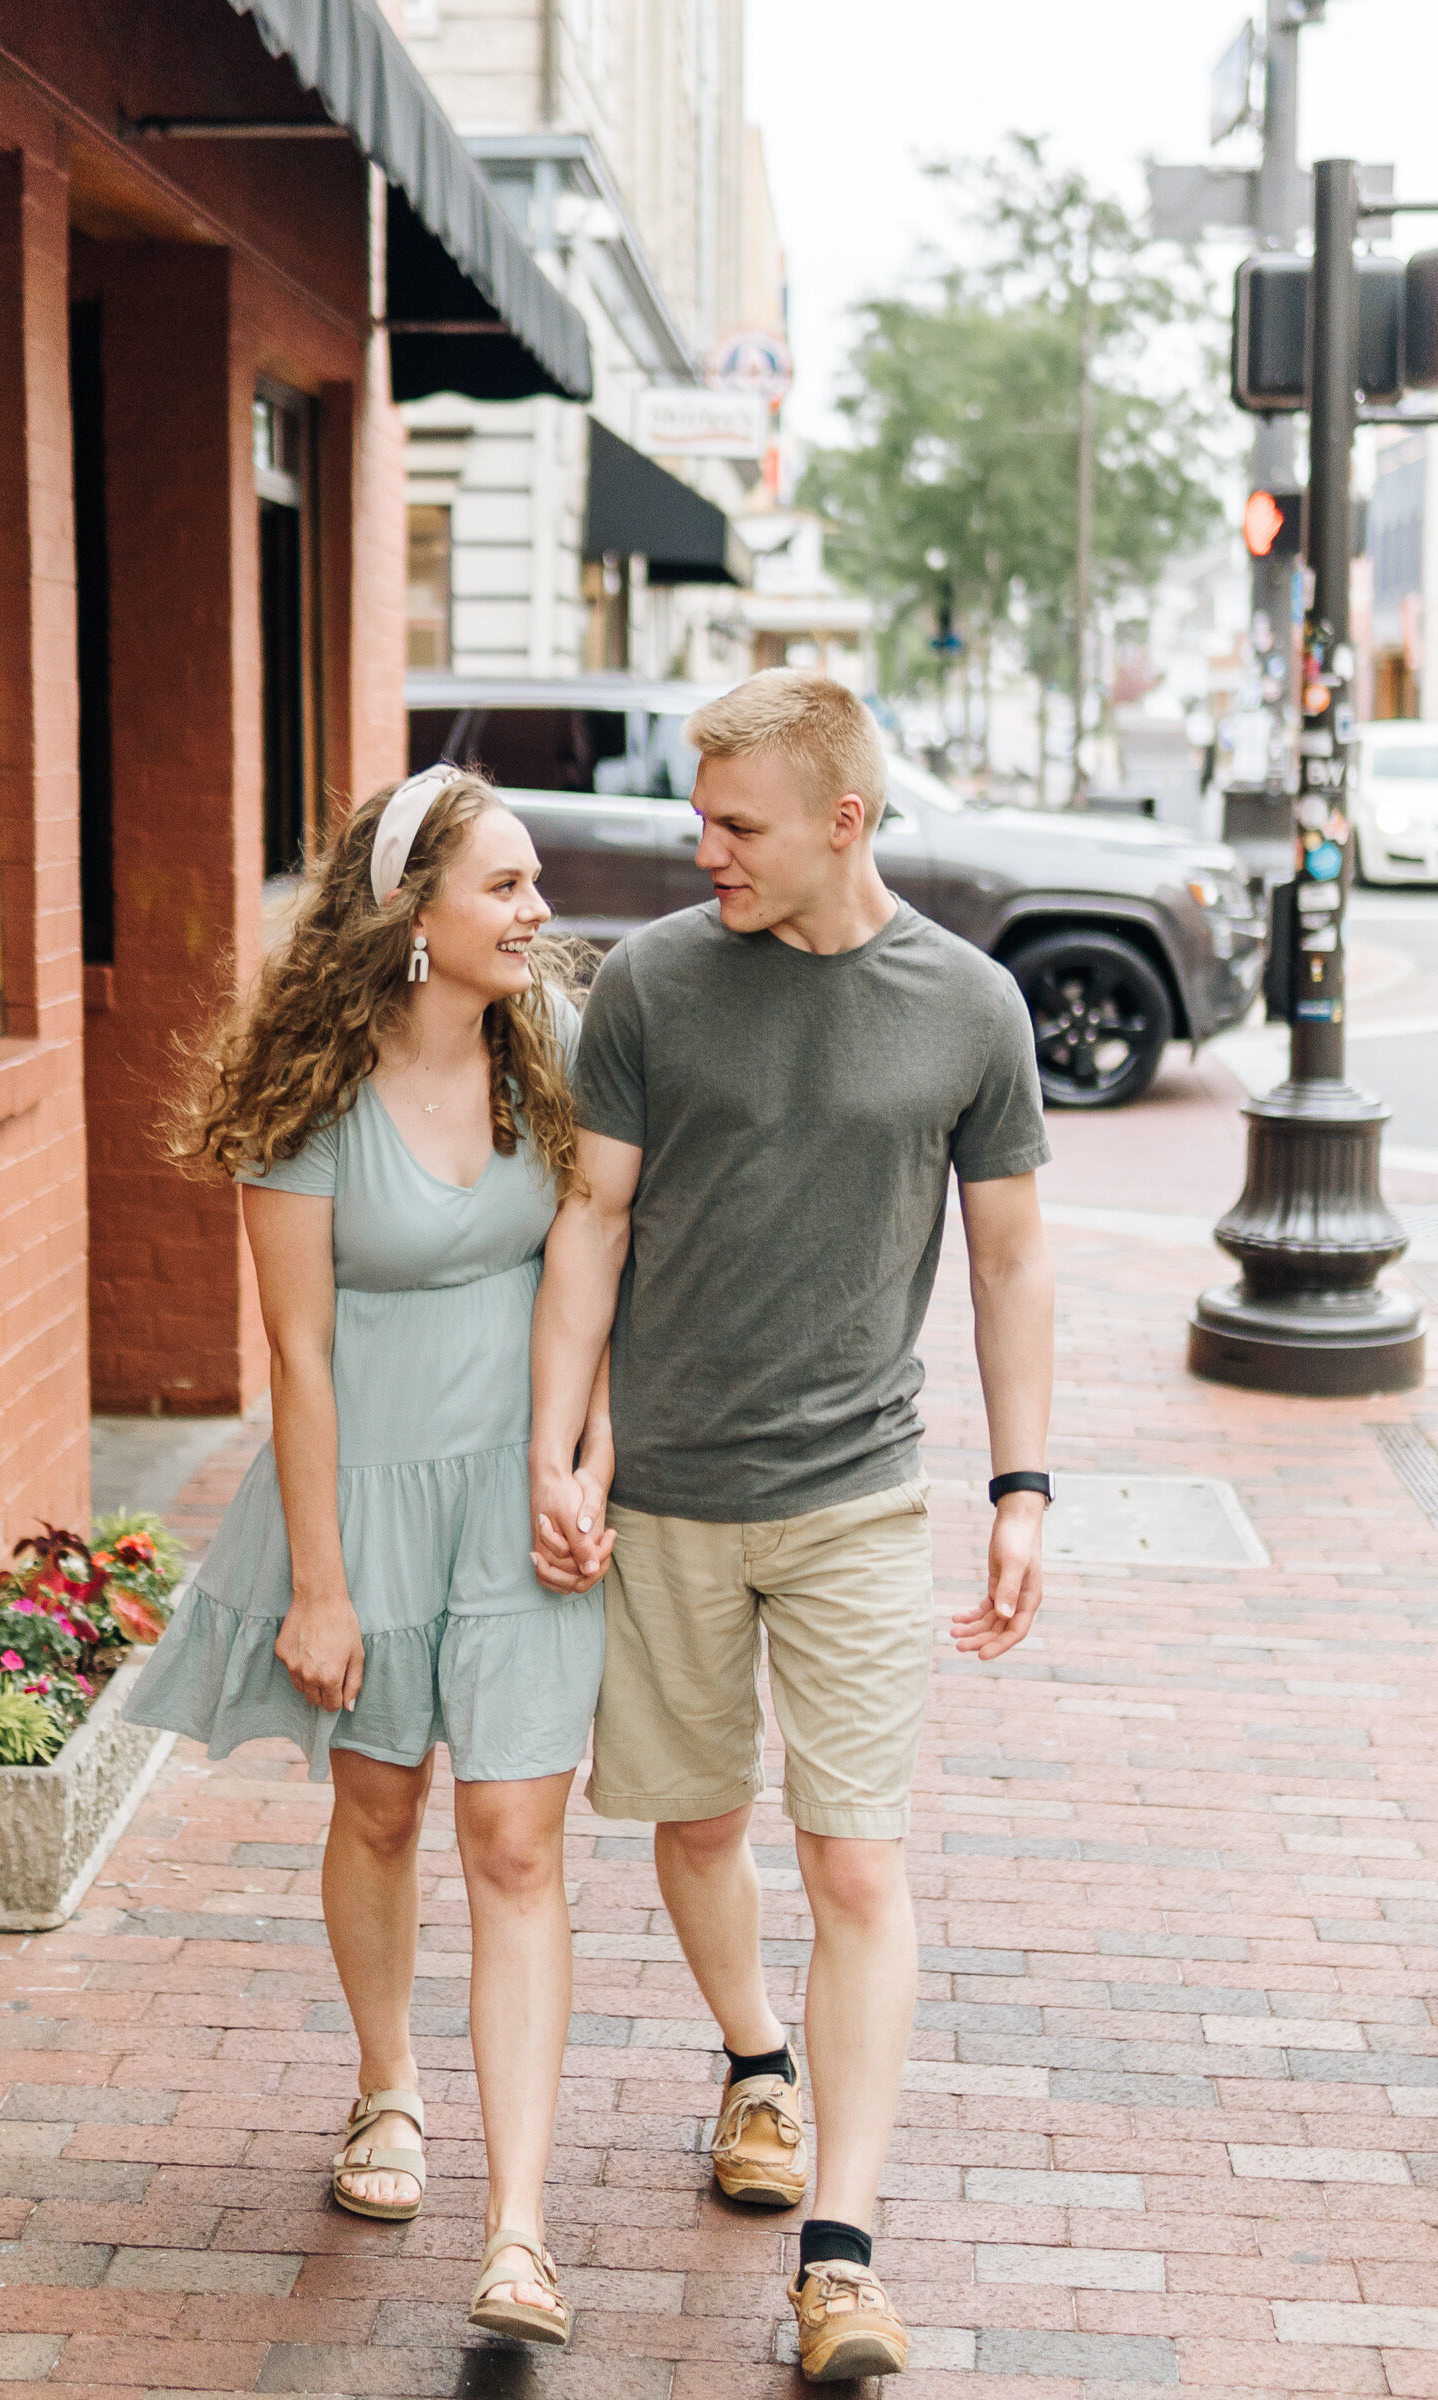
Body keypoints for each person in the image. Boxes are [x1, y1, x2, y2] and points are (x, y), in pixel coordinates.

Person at [528, 671, 1055, 2383]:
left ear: (846, 821)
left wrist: (1022, 1484)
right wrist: (571, 1444)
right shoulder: (659, 984)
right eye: (700, 816)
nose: (707, 851)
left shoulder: (969, 1009)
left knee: (856, 1858)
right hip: (670, 1492)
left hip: (855, 1500)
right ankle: (754, 2061)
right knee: (693, 1828)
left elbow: (1011, 1260)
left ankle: (840, 2254)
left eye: (738, 824)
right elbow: (592, 1223)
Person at [127, 770, 615, 2349]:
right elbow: (299, 1358)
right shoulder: (306, 1102)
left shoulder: (555, 1063)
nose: (538, 914)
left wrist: (586, 1456)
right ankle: (387, 2089)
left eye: (534, 885)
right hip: (367, 1499)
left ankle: (521, 2229)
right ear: (416, 915)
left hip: (521, 1502)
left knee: (519, 1849)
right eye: (508, 888)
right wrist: (321, 1583)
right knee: (384, 1806)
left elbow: (600, 1274)